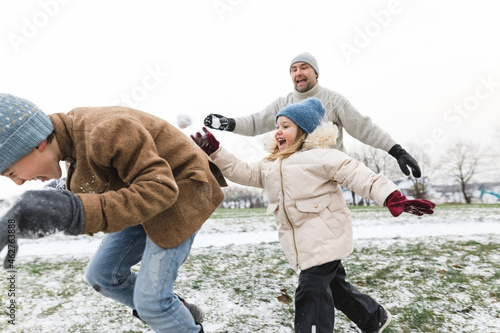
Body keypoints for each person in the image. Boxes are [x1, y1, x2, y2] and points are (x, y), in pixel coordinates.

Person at [192, 98, 435, 333]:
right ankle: (374, 318)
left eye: (286, 126)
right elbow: (241, 171)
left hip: (326, 237)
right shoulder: (270, 164)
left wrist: (392, 196)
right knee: (336, 289)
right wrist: (215, 151)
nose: (278, 131)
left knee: (310, 291)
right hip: (304, 244)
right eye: (277, 126)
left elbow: (359, 175)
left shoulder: (322, 157)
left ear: (304, 131)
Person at [0, 93, 228, 333]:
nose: (18, 183)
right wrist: (51, 201)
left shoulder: (105, 130)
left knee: (151, 302)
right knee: (102, 275)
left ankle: (164, 310)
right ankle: (175, 310)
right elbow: (91, 177)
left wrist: (74, 211)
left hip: (182, 192)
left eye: (12, 172)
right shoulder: (69, 143)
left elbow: (160, 188)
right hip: (141, 195)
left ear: (36, 143)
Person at [203, 52, 422, 178]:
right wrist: (227, 123)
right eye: (294, 69)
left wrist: (396, 150)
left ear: (315, 73)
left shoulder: (334, 101)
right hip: (297, 175)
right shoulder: (284, 103)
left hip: (330, 175)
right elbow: (254, 123)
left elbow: (363, 127)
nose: (298, 72)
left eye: (304, 67)